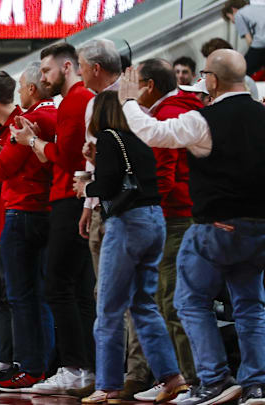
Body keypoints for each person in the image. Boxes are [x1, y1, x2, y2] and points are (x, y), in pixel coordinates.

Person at [118, 49, 265, 405]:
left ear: (212, 80)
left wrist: (127, 102)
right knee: (250, 306)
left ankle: (214, 379)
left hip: (215, 227)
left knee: (189, 301)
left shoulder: (204, 119)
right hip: (259, 228)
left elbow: (153, 132)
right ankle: (256, 384)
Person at [73, 91, 188, 405]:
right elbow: (132, 178)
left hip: (127, 225)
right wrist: (99, 164)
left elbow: (109, 187)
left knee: (108, 308)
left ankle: (108, 384)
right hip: (155, 221)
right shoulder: (138, 138)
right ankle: (172, 377)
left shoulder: (108, 138)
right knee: (143, 304)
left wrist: (86, 186)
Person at [17, 43, 96, 394]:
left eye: (47, 71)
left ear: (67, 67)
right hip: (73, 200)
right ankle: (86, 367)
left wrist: (33, 142)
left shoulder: (76, 101)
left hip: (69, 199)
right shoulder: (76, 101)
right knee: (77, 290)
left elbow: (63, 157)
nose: (43, 78)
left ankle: (74, 366)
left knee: (59, 287)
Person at [77, 38, 151, 400]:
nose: (76, 70)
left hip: (122, 211)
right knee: (127, 299)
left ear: (95, 66)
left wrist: (89, 197)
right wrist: (89, 207)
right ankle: (137, 374)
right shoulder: (114, 103)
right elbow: (100, 159)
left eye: (79, 64)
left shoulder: (121, 101)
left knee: (115, 300)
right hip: (126, 209)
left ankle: (125, 376)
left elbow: (108, 167)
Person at [0, 62, 58, 392]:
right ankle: (48, 365)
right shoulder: (51, 115)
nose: (20, 91)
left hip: (23, 212)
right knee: (40, 295)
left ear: (33, 90)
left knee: (22, 297)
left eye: (23, 85)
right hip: (44, 211)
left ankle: (32, 368)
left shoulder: (34, 118)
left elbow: (1, 168)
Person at [130, 59, 201, 399]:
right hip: (181, 214)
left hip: (173, 217)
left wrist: (142, 208)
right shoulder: (182, 106)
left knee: (172, 301)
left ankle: (191, 379)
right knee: (168, 298)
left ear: (149, 87)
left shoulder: (168, 113)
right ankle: (179, 379)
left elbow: (164, 176)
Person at [222, 0, 265, 75]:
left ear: (233, 10)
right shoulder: (260, 7)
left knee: (241, 71)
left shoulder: (239, 14)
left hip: (261, 44)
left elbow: (249, 41)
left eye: (230, 18)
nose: (233, 22)